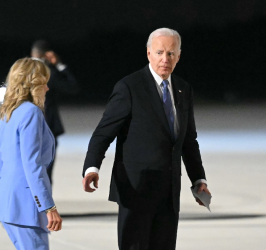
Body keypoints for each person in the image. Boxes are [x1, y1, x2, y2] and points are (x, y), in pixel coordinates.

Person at [82, 28, 211, 250]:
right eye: (159, 52)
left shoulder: (183, 89)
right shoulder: (129, 87)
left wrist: (199, 180)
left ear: (179, 56)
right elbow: (103, 133)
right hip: (136, 193)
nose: (165, 59)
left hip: (169, 195)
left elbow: (189, 141)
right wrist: (92, 168)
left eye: (171, 53)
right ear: (148, 53)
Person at [0, 57, 62, 250]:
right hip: (25, 205)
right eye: (44, 83)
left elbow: (1, 161)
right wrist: (48, 207)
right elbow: (33, 165)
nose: (47, 89)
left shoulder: (7, 112)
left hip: (8, 202)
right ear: (34, 84)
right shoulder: (31, 112)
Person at [31, 40, 78, 184]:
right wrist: (59, 64)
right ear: (47, 55)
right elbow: (73, 87)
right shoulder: (47, 72)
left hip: (26, 128)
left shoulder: (21, 72)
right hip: (47, 127)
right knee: (46, 172)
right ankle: (44, 205)